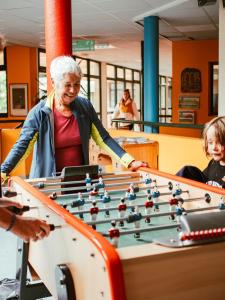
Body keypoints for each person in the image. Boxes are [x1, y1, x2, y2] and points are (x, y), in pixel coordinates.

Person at [1, 56, 147, 182]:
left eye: (77, 84)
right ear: (53, 82)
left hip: (80, 182)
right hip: (48, 184)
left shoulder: (85, 107)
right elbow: (22, 147)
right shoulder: (38, 113)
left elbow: (104, 139)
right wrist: (3, 172)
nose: (73, 90)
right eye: (68, 85)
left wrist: (130, 161)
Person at [176, 116, 225, 188]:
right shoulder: (213, 163)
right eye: (210, 142)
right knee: (188, 170)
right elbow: (203, 180)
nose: (214, 147)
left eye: (220, 142)